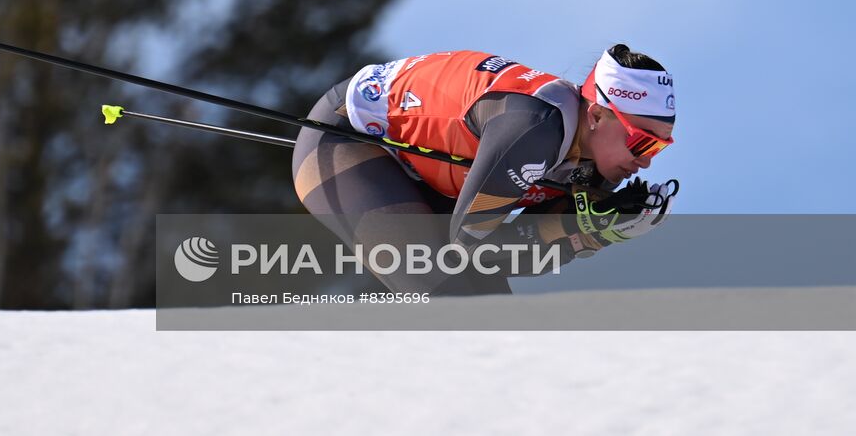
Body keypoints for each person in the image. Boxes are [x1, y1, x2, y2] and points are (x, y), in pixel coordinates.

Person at [291, 44, 680, 296]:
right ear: (596, 114)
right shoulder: (533, 130)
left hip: (426, 174)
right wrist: (578, 230)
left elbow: (523, 250)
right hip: (347, 138)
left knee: (494, 319)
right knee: (440, 288)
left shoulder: (592, 170)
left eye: (659, 146)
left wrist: (594, 235)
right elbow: (471, 249)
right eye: (642, 141)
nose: (646, 159)